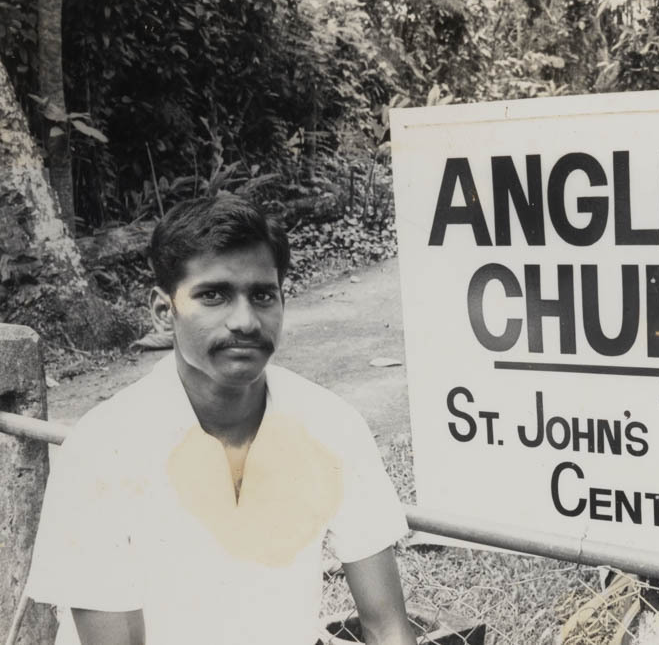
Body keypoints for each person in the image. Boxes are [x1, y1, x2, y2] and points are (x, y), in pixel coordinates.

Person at [27, 194, 416, 645]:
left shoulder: (330, 425)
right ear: (162, 309)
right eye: (213, 296)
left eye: (263, 295)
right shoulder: (103, 449)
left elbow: (387, 626)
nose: (245, 321)